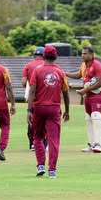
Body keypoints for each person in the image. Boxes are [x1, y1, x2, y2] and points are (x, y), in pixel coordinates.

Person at [27, 45, 69, 179]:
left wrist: (29, 109)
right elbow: (66, 93)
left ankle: (40, 165)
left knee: (37, 137)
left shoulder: (37, 71)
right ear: (56, 57)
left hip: (39, 108)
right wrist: (67, 110)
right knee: (53, 140)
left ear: (44, 56)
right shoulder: (60, 72)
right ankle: (52, 170)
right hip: (54, 109)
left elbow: (32, 91)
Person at [65, 45, 101, 153]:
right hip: (87, 95)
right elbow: (79, 75)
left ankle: (99, 144)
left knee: (96, 117)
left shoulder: (97, 65)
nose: (82, 55)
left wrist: (85, 90)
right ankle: (91, 144)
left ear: (91, 54)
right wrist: (65, 74)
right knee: (88, 118)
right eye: (82, 53)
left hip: (97, 95)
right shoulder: (83, 65)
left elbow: (100, 82)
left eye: (85, 53)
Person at [21, 47, 45, 150]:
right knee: (45, 120)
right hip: (45, 96)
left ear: (34, 55)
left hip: (33, 96)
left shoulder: (28, 65)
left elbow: (23, 82)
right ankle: (44, 143)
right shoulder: (47, 65)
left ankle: (32, 143)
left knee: (32, 118)